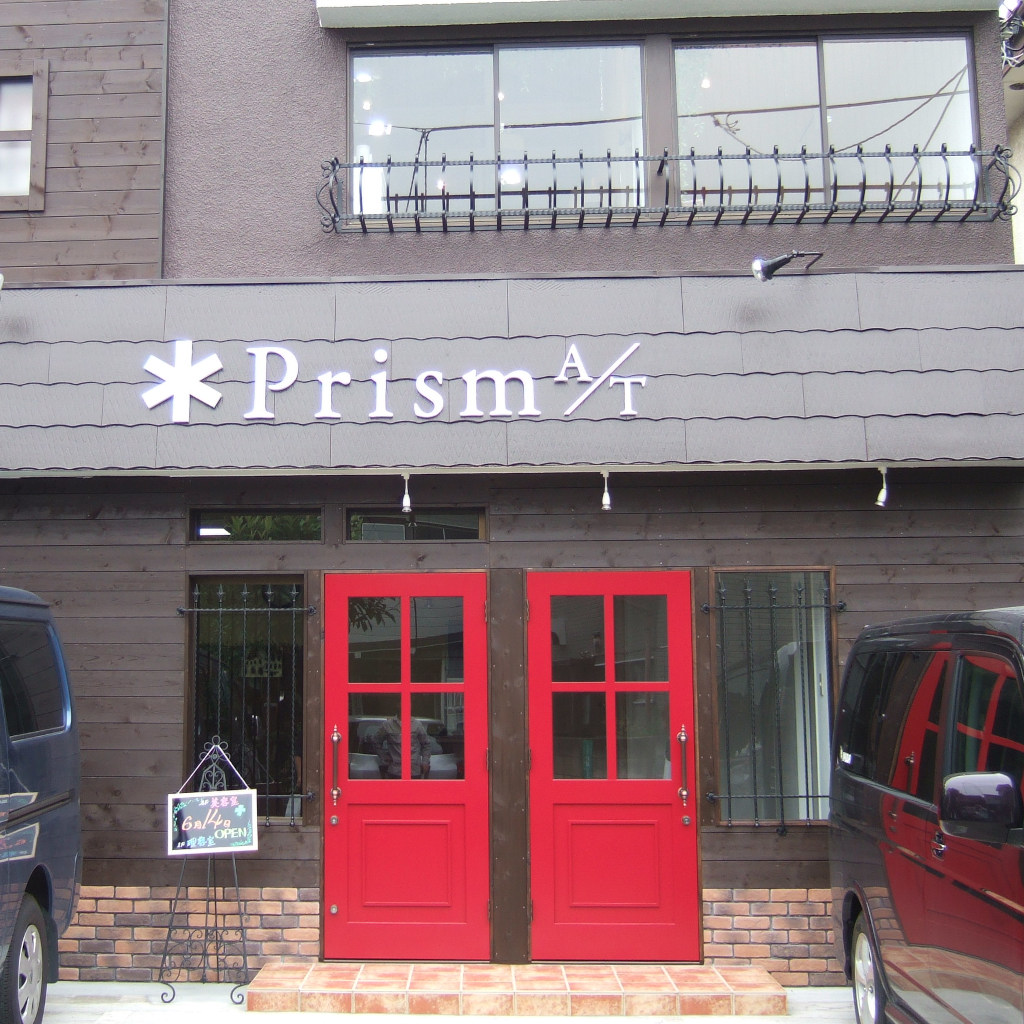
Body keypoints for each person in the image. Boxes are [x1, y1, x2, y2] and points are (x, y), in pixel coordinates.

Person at [375, 714, 432, 779]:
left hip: (413, 771)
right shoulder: (388, 725)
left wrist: (425, 762)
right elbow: (376, 741)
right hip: (395, 771)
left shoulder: (417, 725)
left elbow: (426, 744)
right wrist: (384, 757)